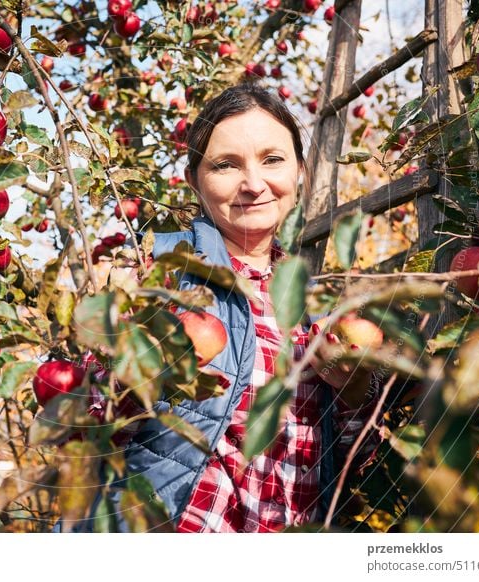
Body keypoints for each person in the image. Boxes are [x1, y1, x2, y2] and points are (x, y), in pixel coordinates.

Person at [56, 82, 382, 533]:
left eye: (272, 159)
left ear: (300, 171)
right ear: (194, 181)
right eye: (226, 165)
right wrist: (135, 371)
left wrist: (354, 388)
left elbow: (348, 463)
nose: (253, 184)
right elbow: (80, 436)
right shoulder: (160, 279)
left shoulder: (313, 306)